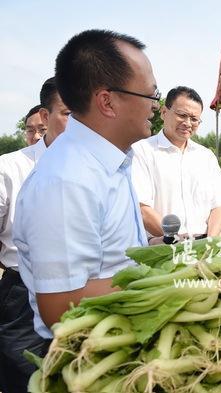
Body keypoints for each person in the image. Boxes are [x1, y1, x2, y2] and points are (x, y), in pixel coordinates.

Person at [13, 29, 156, 341]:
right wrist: (165, 277)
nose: (155, 106)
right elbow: (60, 306)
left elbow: (113, 261)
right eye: (151, 95)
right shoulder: (67, 181)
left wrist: (164, 255)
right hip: (88, 359)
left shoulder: (109, 163)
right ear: (107, 101)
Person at [0, 77, 69, 392]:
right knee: (24, 379)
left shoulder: (105, 169)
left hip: (85, 293)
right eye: (69, 113)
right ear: (45, 116)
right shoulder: (11, 168)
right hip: (25, 298)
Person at [132, 86, 221, 239]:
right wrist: (178, 241)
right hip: (162, 246)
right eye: (182, 115)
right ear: (164, 112)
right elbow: (142, 208)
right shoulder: (142, 151)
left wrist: (210, 241)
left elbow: (218, 204)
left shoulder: (206, 157)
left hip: (203, 247)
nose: (188, 123)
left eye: (194, 119)